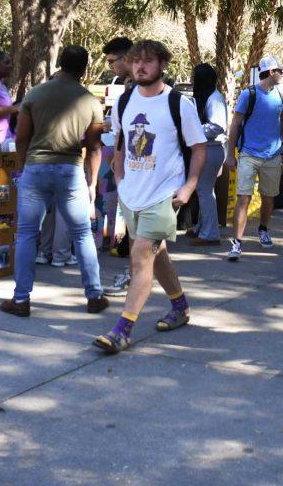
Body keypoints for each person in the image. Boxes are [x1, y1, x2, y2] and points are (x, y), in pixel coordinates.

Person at [93, 40, 206, 353]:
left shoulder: (178, 103)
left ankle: (123, 329)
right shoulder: (125, 100)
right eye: (135, 61)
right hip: (132, 193)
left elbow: (199, 147)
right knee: (157, 256)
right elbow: (120, 139)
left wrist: (189, 186)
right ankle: (180, 306)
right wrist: (118, 173)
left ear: (162, 65)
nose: (140, 67)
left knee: (140, 254)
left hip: (163, 194)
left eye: (148, 61)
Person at [0, 46, 108, 318]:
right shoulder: (90, 101)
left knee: (27, 234)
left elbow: (21, 137)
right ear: (84, 69)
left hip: (36, 168)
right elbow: (94, 147)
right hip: (70, 170)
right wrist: (92, 183)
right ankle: (94, 295)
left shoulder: (36, 94)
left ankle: (21, 299)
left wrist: (25, 166)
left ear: (59, 63)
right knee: (81, 233)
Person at [225, 56, 283, 261]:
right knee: (244, 197)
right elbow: (235, 123)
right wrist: (230, 154)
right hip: (248, 153)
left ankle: (263, 229)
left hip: (272, 155)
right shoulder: (249, 94)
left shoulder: (282, 94)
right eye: (280, 70)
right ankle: (237, 242)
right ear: (271, 72)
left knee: (268, 197)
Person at [100, 37, 135, 295]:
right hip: (130, 163)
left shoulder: (138, 87)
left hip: (142, 167)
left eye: (112, 61)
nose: (110, 66)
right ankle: (135, 274)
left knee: (140, 232)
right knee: (143, 234)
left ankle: (134, 275)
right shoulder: (128, 86)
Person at [189, 62, 227, 246]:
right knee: (205, 190)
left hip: (211, 148)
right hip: (208, 148)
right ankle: (202, 227)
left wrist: (193, 130)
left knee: (204, 191)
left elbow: (218, 125)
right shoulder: (209, 97)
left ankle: (210, 233)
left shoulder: (215, 99)